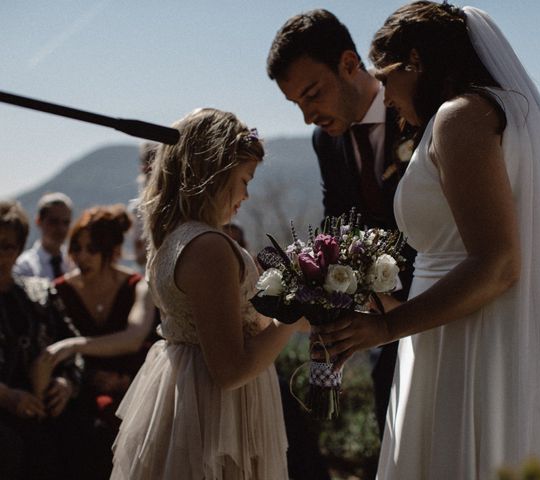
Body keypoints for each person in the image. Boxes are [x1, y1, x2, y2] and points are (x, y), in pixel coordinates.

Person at [314, 2, 540, 478]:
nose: (386, 93)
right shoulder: (497, 110)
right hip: (458, 328)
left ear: (415, 61)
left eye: (387, 76)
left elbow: (497, 263)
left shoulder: (459, 116)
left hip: (467, 340)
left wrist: (384, 331)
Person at [110, 108, 301, 479]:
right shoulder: (208, 247)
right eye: (244, 179)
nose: (246, 195)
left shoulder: (175, 239)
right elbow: (230, 370)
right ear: (211, 174)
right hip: (216, 412)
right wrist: (293, 318)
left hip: (189, 397)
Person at [267, 8, 416, 442]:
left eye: (313, 94)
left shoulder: (415, 111)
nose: (308, 116)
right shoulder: (324, 141)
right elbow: (341, 226)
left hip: (444, 309)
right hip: (380, 333)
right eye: (297, 104)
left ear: (349, 64)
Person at [43, 204, 156, 478]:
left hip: (132, 388)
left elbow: (134, 337)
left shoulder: (138, 286)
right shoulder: (59, 291)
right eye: (76, 248)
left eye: (91, 249)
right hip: (79, 390)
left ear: (111, 251)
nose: (82, 257)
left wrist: (76, 344)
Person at [0, 200, 87, 479]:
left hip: (42, 407)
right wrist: (7, 396)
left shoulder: (39, 295)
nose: (0, 256)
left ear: (19, 248)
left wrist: (66, 383)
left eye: (7, 247)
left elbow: (73, 347)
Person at [14, 192, 73, 280]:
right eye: (54, 222)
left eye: (66, 223)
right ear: (39, 221)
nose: (61, 228)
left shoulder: (74, 263)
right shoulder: (25, 267)